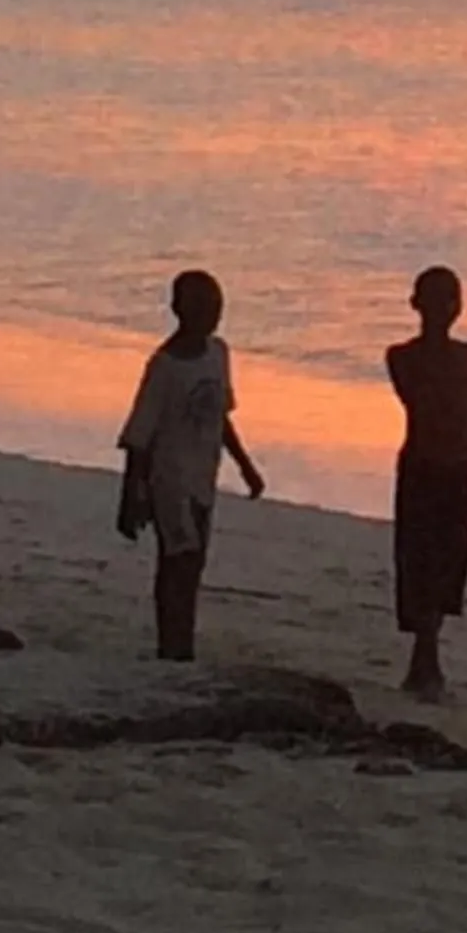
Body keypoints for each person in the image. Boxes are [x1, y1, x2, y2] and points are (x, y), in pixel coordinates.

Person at [117, 270, 265, 662]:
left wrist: (245, 464)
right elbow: (139, 435)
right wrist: (131, 495)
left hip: (204, 476)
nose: (212, 317)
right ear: (180, 310)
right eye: (203, 308)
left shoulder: (218, 354)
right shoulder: (164, 366)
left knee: (194, 562)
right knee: (177, 560)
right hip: (169, 479)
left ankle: (183, 639)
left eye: (217, 309)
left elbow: (221, 418)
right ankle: (173, 644)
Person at [386, 264, 467, 696]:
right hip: (423, 467)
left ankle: (427, 655)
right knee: (421, 562)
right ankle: (425, 656)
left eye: (452, 299)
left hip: (457, 468)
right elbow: (424, 402)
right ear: (418, 305)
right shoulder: (401, 356)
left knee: (448, 565)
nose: (446, 308)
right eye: (439, 299)